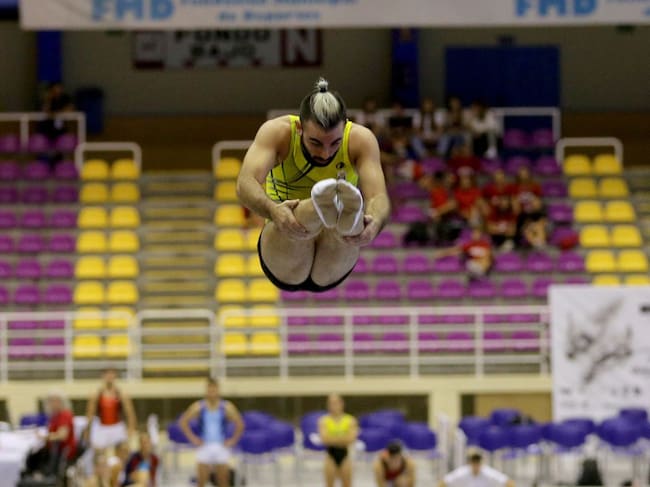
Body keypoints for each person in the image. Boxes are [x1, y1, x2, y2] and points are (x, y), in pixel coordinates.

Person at [237, 78, 390, 293]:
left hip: (333, 258)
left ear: (345, 127)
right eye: (316, 143)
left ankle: (342, 211)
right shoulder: (278, 132)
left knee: (346, 229)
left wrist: (374, 223)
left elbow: (378, 197)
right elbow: (245, 183)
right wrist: (273, 211)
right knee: (299, 218)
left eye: (335, 143)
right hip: (284, 249)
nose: (325, 153)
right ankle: (324, 205)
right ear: (300, 128)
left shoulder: (361, 139)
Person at [179, 377, 245, 487]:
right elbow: (183, 421)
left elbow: (240, 424)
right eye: (210, 390)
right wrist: (193, 438)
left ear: (218, 390)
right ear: (206, 391)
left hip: (221, 445)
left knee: (223, 481)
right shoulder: (199, 406)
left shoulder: (226, 407)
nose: (212, 393)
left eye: (214, 390)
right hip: (204, 445)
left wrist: (233, 440)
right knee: (201, 482)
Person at [23, 390, 76, 479]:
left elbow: (62, 436)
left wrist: (44, 437)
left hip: (61, 452)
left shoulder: (65, 415)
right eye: (51, 401)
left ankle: (39, 476)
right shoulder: (55, 415)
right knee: (31, 455)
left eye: (56, 401)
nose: (53, 404)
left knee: (32, 457)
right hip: (54, 450)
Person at [85, 368, 137, 451]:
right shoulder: (96, 394)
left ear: (115, 376)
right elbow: (90, 414)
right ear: (103, 376)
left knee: (122, 451)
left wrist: (131, 430)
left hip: (117, 427)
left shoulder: (121, 394)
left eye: (112, 374)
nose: (109, 376)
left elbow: (130, 414)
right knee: (99, 452)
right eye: (107, 374)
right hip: (102, 428)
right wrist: (87, 431)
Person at [318, 393, 359, 487]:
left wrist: (332, 438)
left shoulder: (350, 420)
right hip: (330, 455)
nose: (334, 406)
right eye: (331, 403)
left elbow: (351, 439)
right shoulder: (324, 420)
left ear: (342, 404)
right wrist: (343, 438)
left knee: (347, 484)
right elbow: (324, 439)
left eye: (336, 403)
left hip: (345, 454)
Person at [439, 450, 514, 487]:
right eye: (474, 462)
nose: (476, 464)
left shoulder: (488, 473)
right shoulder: (462, 472)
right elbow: (443, 482)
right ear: (470, 462)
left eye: (477, 462)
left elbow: (509, 483)